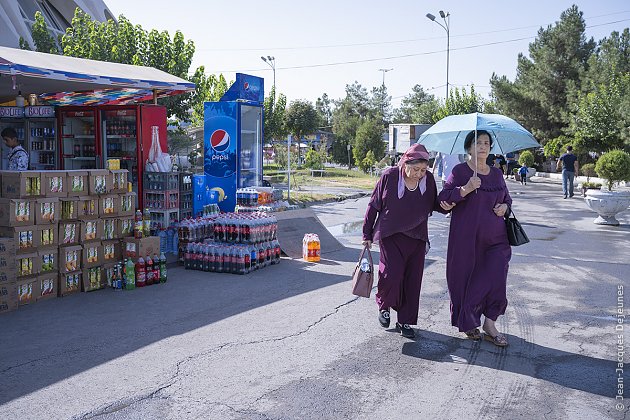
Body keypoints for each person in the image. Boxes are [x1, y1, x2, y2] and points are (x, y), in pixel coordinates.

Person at [362, 144, 454, 338]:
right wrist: (367, 234)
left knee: (413, 281)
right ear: (405, 163)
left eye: (423, 170)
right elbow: (374, 204)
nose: (419, 174)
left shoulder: (428, 180)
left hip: (418, 237)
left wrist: (448, 205)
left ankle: (405, 320)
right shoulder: (390, 176)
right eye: (416, 169)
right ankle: (385, 306)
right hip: (391, 234)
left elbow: (434, 204)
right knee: (391, 274)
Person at [437, 130, 512, 347]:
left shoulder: (497, 174)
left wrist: (505, 207)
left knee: (496, 277)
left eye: (487, 143)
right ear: (469, 147)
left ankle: (490, 323)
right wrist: (466, 189)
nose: (483, 146)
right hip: (466, 240)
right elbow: (443, 199)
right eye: (478, 142)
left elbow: (507, 199)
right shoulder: (460, 171)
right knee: (466, 280)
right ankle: (468, 321)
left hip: (496, 238)